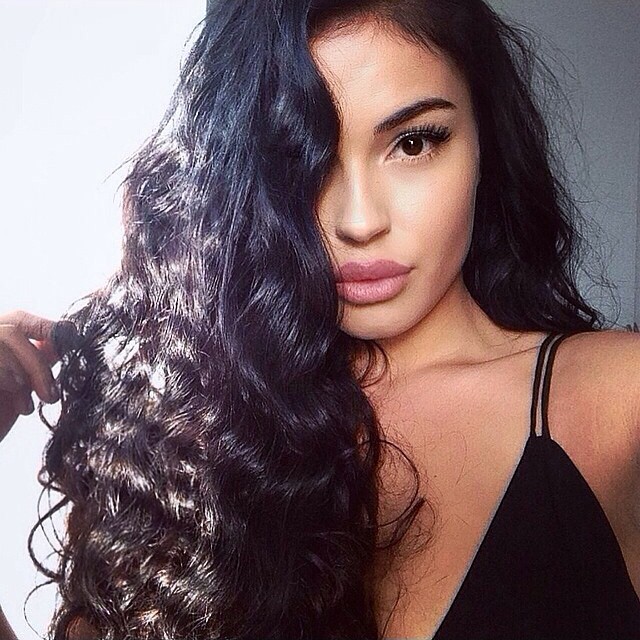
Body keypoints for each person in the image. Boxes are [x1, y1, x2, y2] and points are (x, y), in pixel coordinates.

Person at [1, 0, 639, 639]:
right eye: (300, 158)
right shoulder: (176, 441)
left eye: (413, 143)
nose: (360, 221)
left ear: (485, 144)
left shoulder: (618, 408)